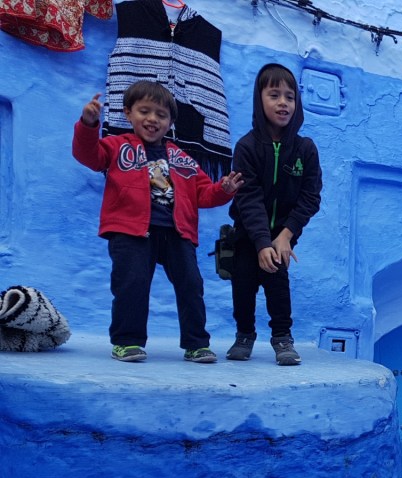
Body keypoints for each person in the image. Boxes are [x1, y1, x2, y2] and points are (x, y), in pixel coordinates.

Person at [73, 80, 243, 363]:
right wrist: (88, 125)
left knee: (191, 285)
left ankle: (196, 344)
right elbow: (88, 155)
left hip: (177, 233)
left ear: (170, 122)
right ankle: (127, 342)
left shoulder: (182, 158)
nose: (152, 119)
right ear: (128, 113)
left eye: (161, 115)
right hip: (131, 231)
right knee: (132, 284)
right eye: (144, 111)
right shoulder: (116, 147)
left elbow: (204, 193)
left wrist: (224, 189)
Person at [226, 63, 323, 366]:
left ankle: (282, 338)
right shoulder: (246, 147)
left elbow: (311, 197)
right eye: (274, 95)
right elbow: (249, 197)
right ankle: (244, 335)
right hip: (246, 234)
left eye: (290, 97)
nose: (283, 103)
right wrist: (260, 242)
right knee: (242, 285)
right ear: (260, 100)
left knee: (278, 285)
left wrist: (285, 236)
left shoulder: (305, 149)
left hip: (282, 235)